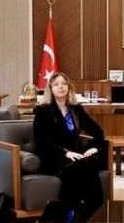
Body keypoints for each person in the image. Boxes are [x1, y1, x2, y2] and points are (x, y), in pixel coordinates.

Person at [33, 71, 106, 211]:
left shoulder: (76, 109)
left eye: (64, 83)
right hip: (54, 159)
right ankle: (91, 209)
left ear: (69, 87)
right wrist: (65, 153)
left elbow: (98, 131)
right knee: (83, 166)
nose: (61, 87)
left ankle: (92, 208)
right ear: (50, 89)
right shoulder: (42, 111)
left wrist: (95, 147)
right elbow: (42, 142)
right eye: (56, 84)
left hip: (76, 156)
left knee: (91, 159)